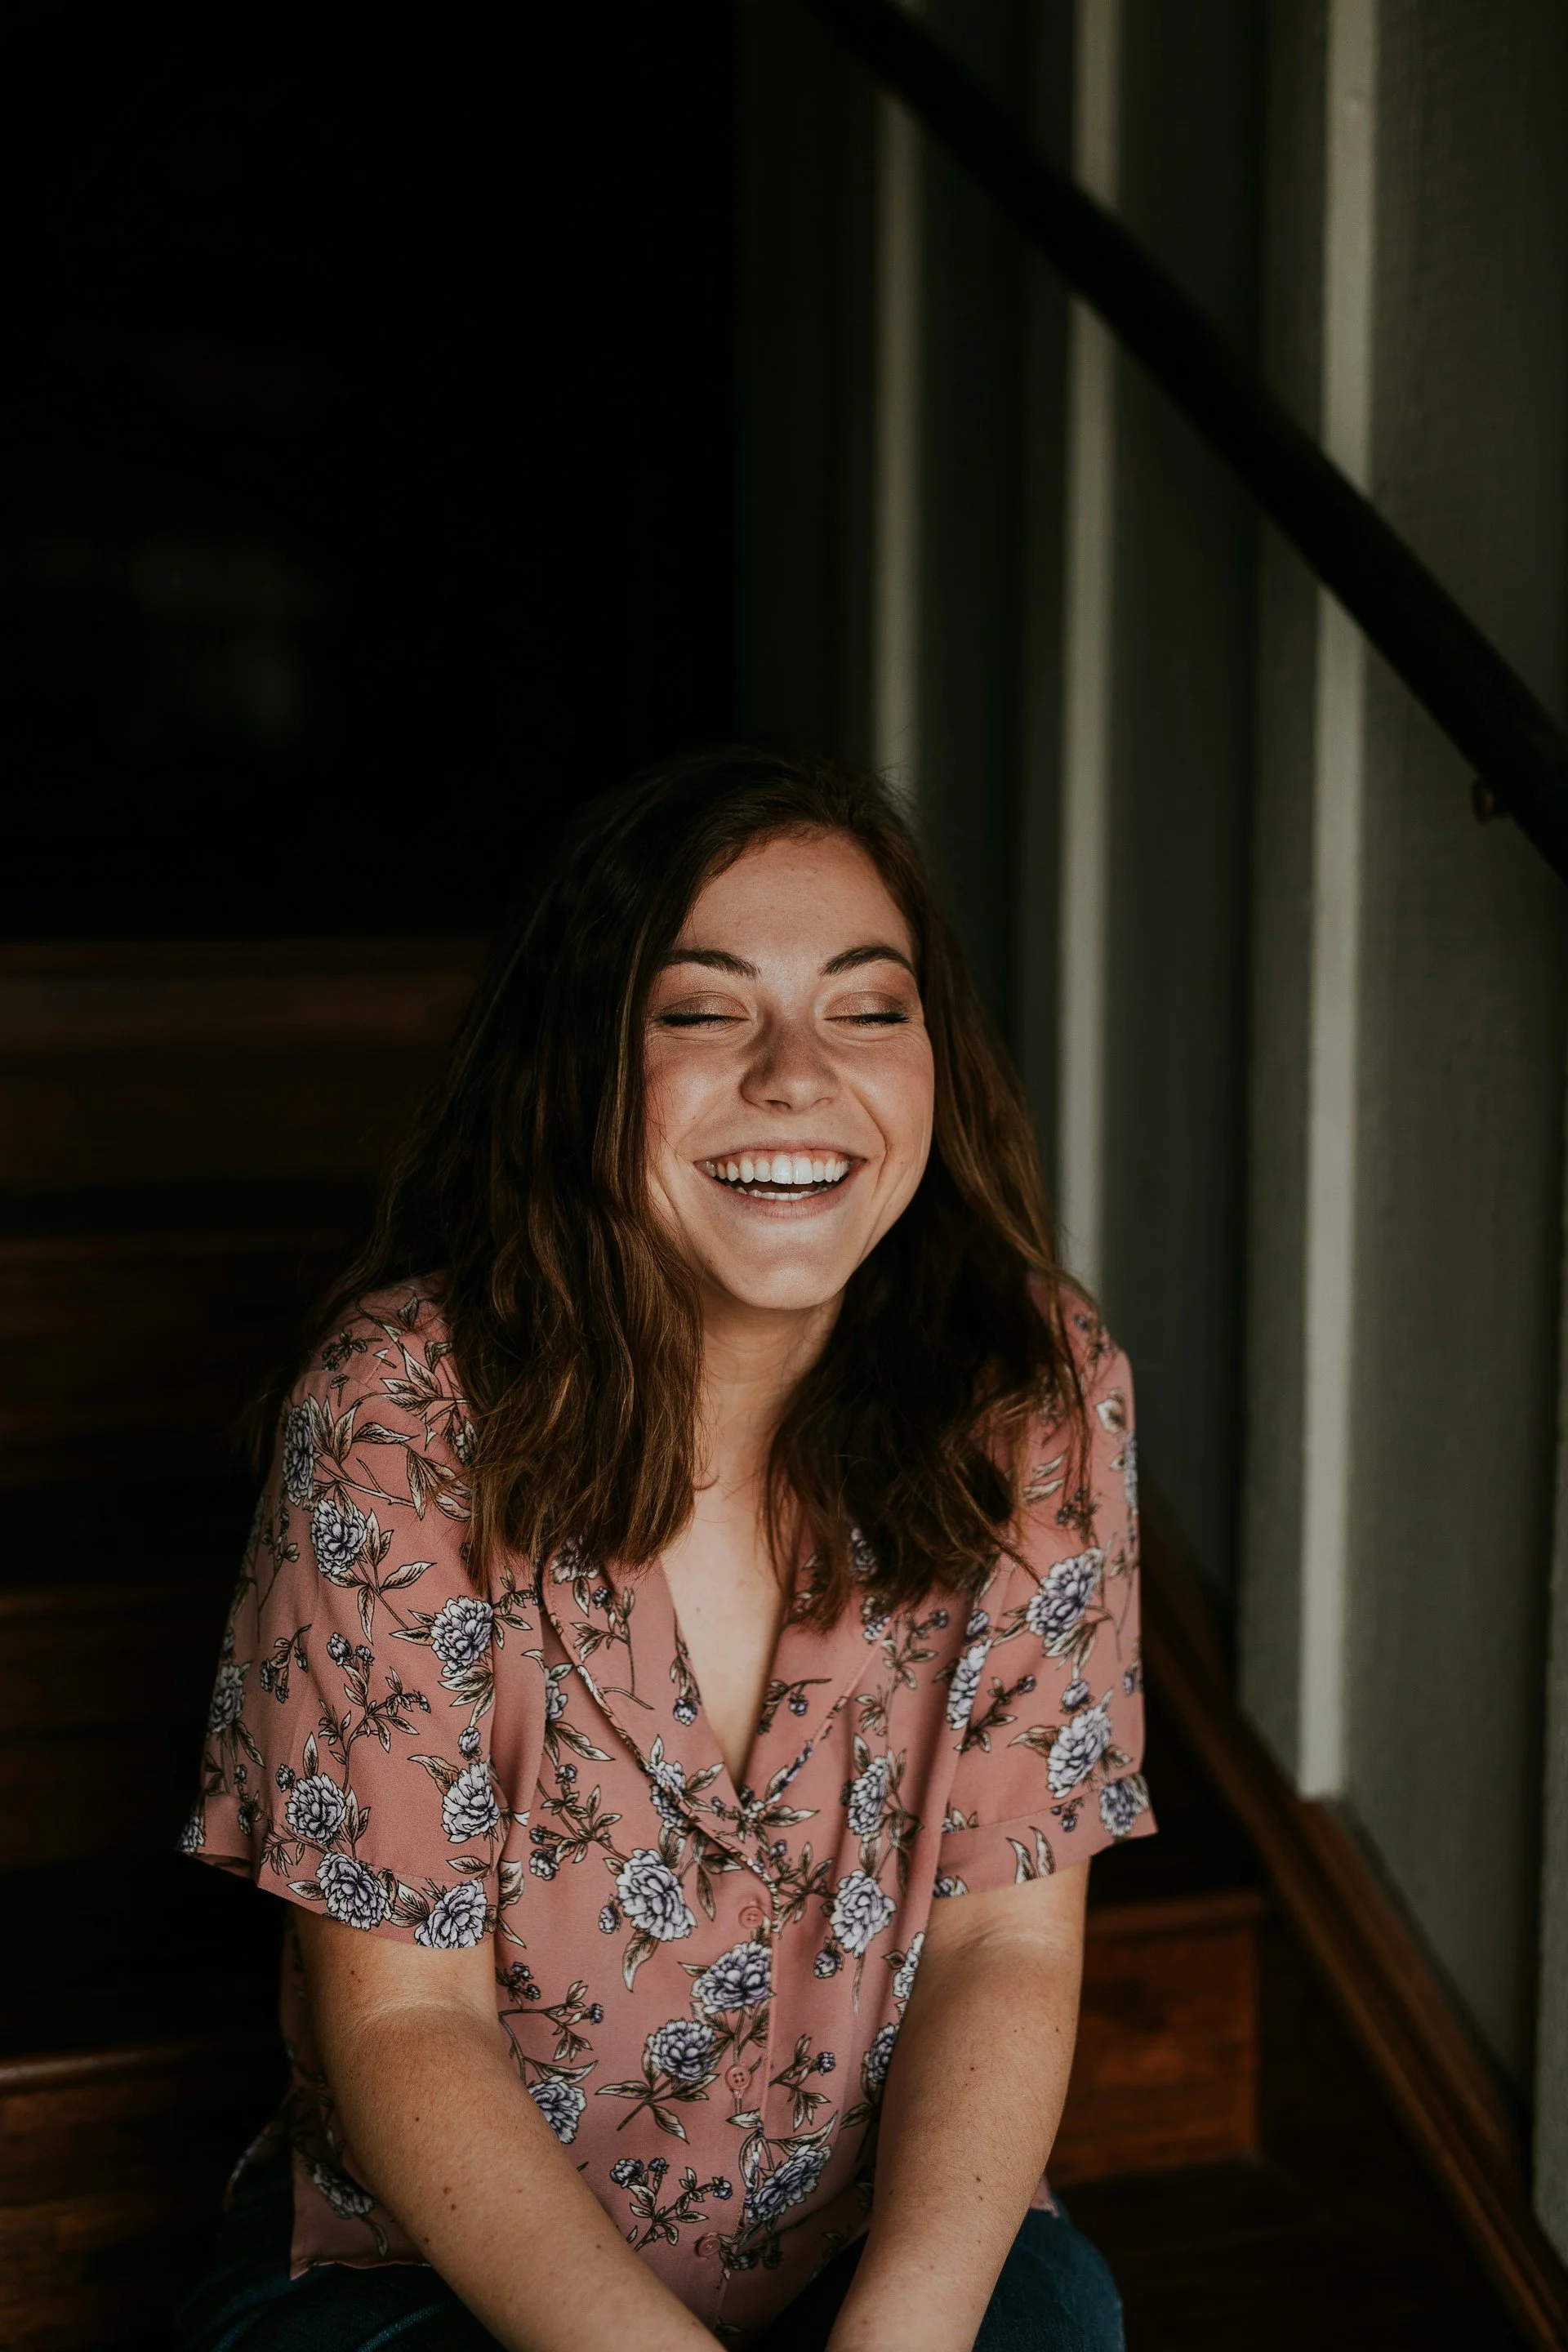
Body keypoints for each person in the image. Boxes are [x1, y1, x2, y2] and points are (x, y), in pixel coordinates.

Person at [176, 749, 1153, 2352]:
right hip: (444, 2275)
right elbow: (406, 2018)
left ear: (937, 1065)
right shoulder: (400, 1414)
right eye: (703, 1013)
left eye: (867, 1006)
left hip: (862, 2245)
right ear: (580, 1061)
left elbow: (1005, 1943)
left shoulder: (1032, 1396)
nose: (795, 1073)